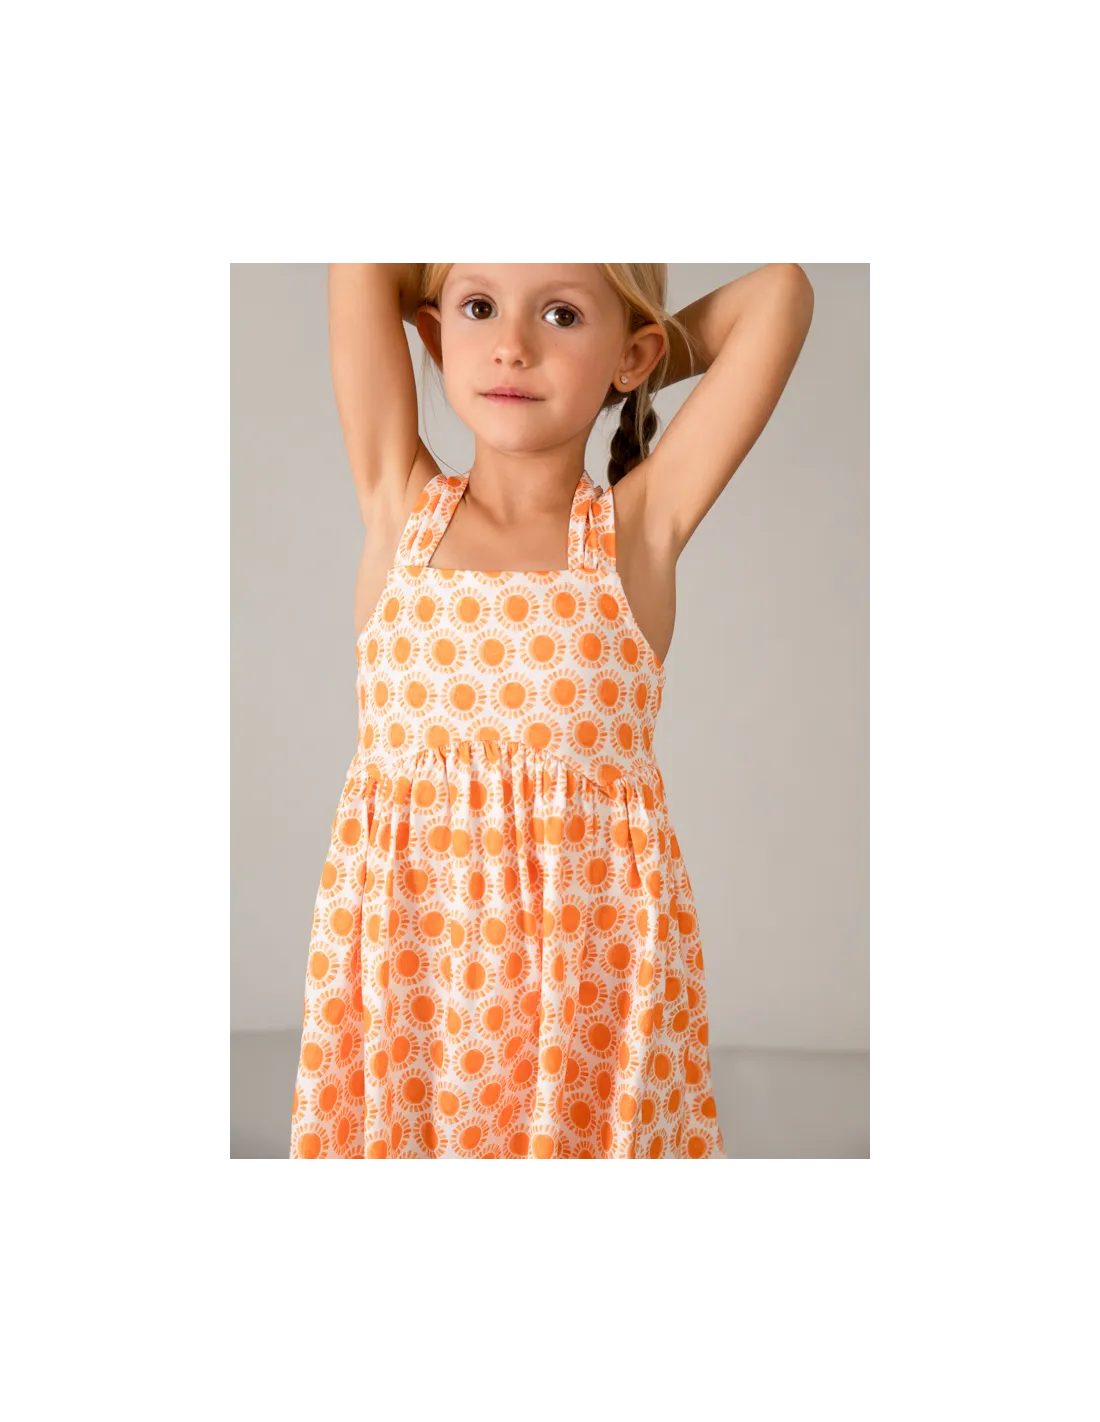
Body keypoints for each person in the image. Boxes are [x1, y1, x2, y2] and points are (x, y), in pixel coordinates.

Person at [289, 258, 815, 1159]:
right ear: (433, 333)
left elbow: (782, 294)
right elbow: (362, 266)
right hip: (415, 985)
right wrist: (559, 339)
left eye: (561, 316)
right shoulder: (397, 508)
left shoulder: (636, 533)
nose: (512, 346)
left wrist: (623, 369)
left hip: (589, 994)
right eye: (480, 307)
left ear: (633, 354)